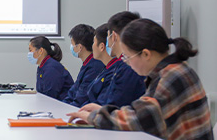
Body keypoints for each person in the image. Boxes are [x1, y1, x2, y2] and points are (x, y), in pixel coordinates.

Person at [67, 19, 214, 140]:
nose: (126, 62)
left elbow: (139, 119)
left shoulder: (171, 77)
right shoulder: (173, 70)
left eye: (127, 57)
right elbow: (141, 111)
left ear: (146, 54)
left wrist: (93, 117)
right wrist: (102, 110)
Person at [99, 11, 146, 107]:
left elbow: (117, 105)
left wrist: (101, 111)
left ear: (114, 36)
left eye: (108, 36)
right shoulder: (122, 64)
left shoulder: (129, 66)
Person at [62, 24, 104, 106]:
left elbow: (82, 97)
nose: (71, 47)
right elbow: (73, 91)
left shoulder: (94, 67)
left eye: (72, 44)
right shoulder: (87, 63)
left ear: (79, 47)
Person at [28, 35, 74, 100]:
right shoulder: (42, 66)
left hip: (62, 103)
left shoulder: (51, 68)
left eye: (30, 50)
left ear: (41, 51)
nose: (29, 53)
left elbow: (50, 96)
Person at [85, 23, 120, 105]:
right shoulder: (106, 67)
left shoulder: (115, 71)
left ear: (101, 46)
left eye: (94, 42)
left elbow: (101, 102)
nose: (92, 46)